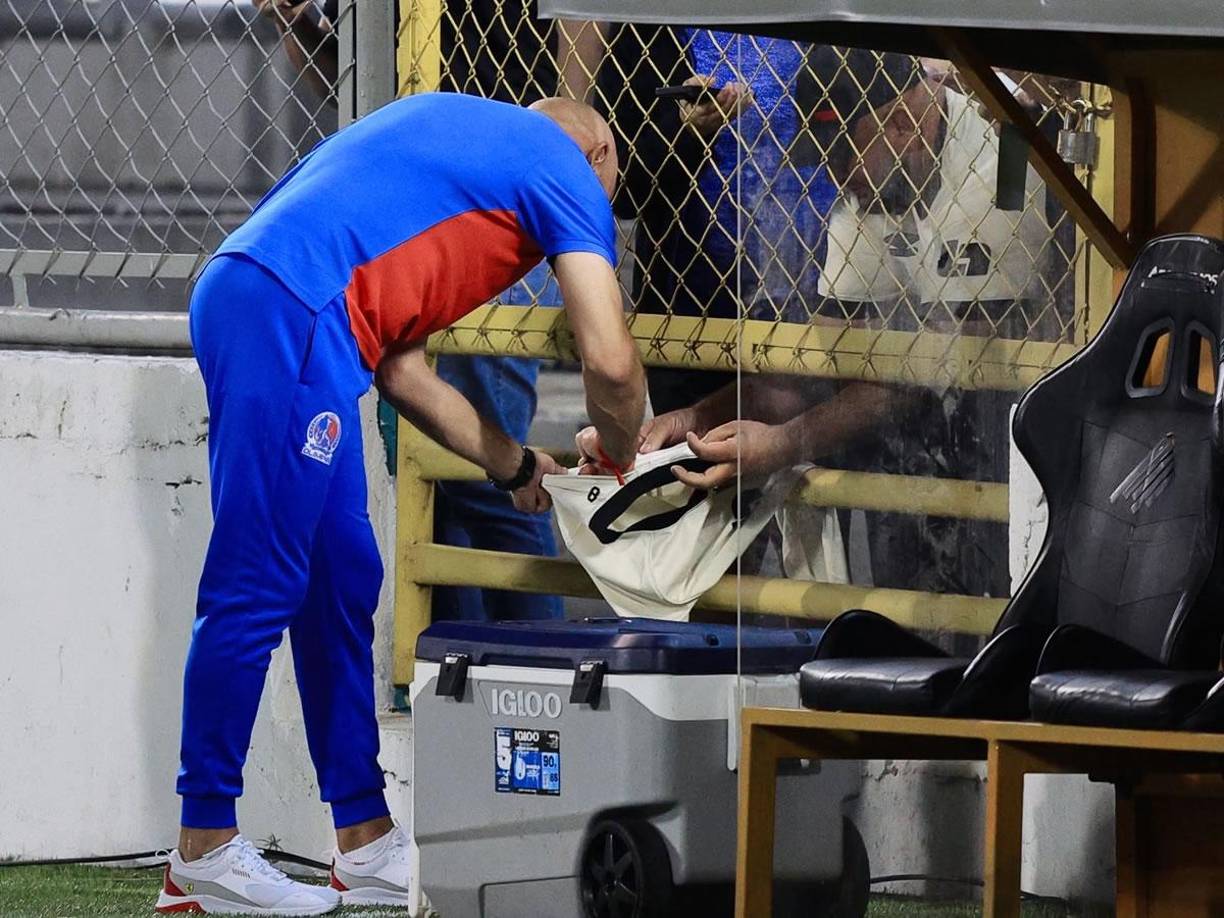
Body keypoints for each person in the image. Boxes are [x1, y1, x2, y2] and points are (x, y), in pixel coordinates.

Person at [156, 93, 644, 915]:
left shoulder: (443, 141)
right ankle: (202, 850)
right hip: (293, 313)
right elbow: (612, 361)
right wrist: (626, 457)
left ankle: (366, 840)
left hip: (287, 309)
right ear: (598, 149)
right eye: (609, 189)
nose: (600, 212)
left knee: (342, 578)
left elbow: (403, 371)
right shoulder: (563, 165)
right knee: (256, 582)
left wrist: (515, 462)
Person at [259, 0, 585, 622]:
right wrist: (295, 23)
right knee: (445, 489)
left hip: (486, 208)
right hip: (415, 217)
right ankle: (460, 678)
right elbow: (354, 80)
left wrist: (557, 161)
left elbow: (578, 34)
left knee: (483, 484)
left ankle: (542, 671)